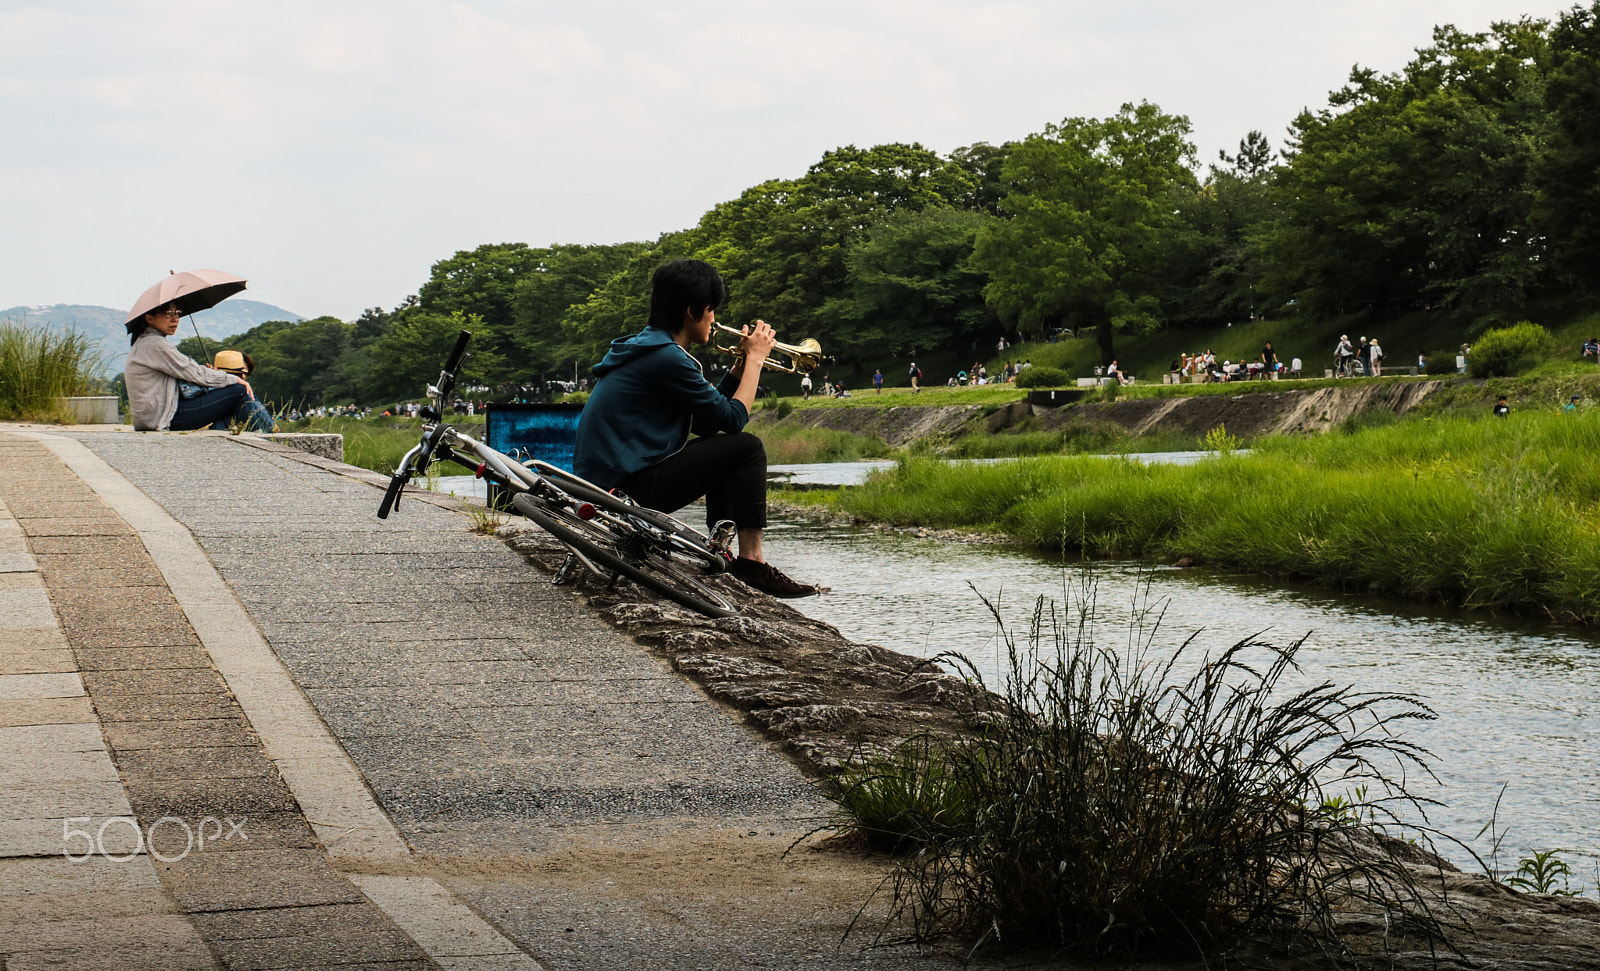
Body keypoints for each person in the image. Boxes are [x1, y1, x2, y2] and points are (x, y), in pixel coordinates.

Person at [571, 259, 817, 598]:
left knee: (726, 445)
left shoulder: (650, 348)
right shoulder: (667, 357)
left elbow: (706, 421)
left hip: (610, 484)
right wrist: (757, 361)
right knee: (747, 447)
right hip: (624, 493)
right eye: (711, 309)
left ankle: (721, 547)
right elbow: (733, 420)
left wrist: (738, 367)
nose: (714, 319)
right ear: (691, 311)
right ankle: (753, 561)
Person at [125, 304, 274, 432]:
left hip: (154, 417)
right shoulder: (155, 344)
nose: (174, 319)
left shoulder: (145, 342)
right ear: (149, 318)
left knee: (228, 395)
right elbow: (193, 372)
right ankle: (269, 435)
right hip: (164, 418)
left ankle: (238, 431)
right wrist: (233, 378)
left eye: (177, 313)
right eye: (168, 313)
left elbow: (188, 371)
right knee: (239, 390)